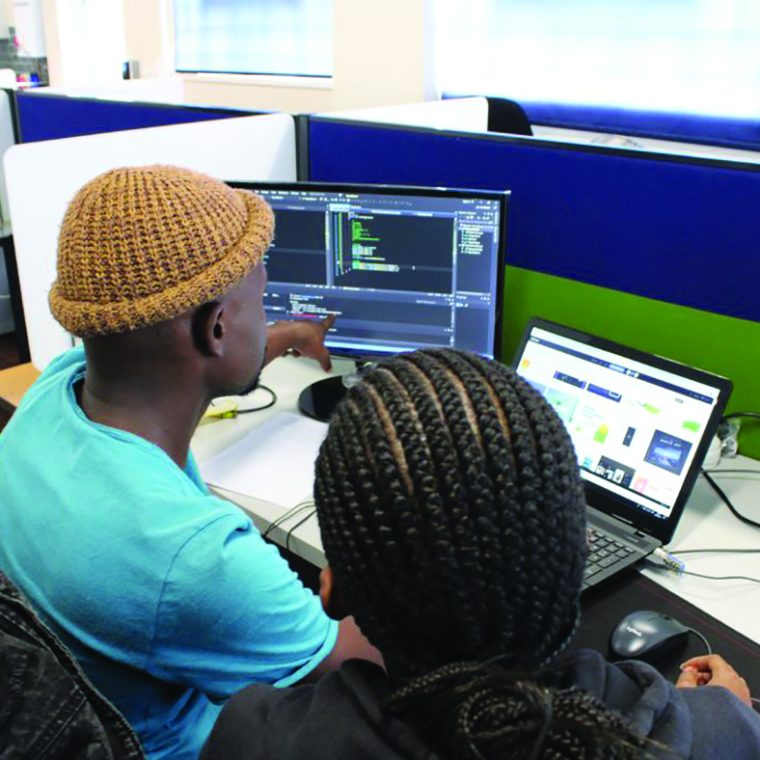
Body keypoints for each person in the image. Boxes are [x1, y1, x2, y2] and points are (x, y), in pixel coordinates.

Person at [202, 348, 760, 760]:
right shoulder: (714, 734)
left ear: (331, 592)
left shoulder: (254, 740)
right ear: (578, 562)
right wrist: (717, 714)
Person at [0, 165, 379, 759]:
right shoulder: (193, 556)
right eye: (261, 300)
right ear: (217, 328)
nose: (266, 314)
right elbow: (356, 666)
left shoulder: (54, 392)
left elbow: (174, 361)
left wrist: (279, 336)